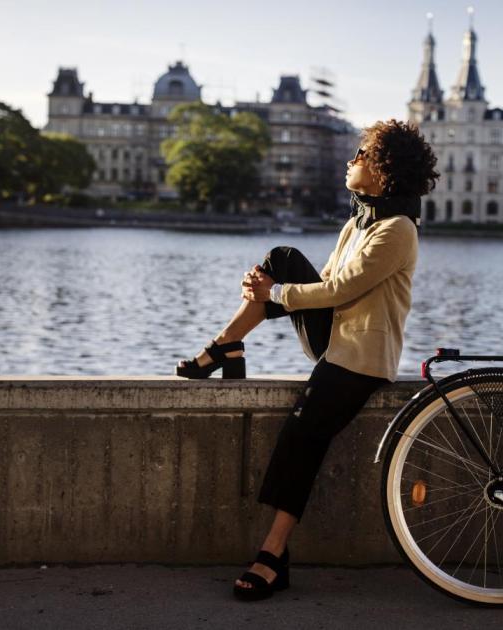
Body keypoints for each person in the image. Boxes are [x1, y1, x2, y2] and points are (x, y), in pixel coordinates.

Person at [175, 119, 439, 601]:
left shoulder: (398, 229)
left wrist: (272, 294)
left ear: (382, 170)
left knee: (302, 437)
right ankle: (225, 345)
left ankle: (274, 553)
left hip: (362, 357)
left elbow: (340, 289)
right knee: (280, 255)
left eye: (359, 155)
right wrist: (269, 290)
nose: (350, 161)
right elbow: (324, 292)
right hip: (334, 337)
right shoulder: (358, 221)